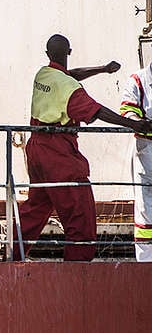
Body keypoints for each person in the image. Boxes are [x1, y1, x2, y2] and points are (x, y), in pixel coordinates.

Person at [12, 34, 151, 261]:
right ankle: (78, 268)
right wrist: (133, 124)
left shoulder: (44, 74)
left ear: (48, 55)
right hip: (59, 154)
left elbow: (71, 75)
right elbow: (96, 111)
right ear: (70, 52)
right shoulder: (69, 88)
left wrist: (102, 69)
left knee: (36, 207)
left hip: (36, 148)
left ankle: (13, 254)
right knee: (80, 213)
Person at [119, 63, 152, 261]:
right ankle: (146, 263)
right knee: (145, 210)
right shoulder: (138, 81)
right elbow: (128, 110)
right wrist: (137, 121)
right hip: (146, 152)